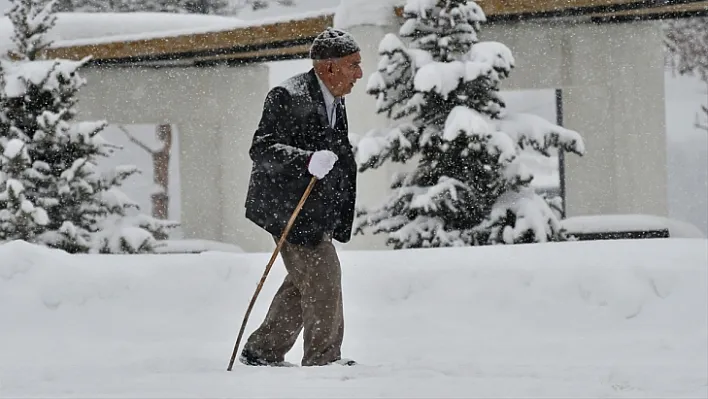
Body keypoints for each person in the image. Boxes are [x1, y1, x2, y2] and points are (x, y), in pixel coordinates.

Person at [240, 27, 363, 367]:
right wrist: (305, 160)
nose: (359, 73)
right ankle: (324, 361)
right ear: (328, 67)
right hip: (286, 209)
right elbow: (261, 148)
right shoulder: (286, 95)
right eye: (353, 65)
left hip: (317, 210)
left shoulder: (336, 100)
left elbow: (336, 150)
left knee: (303, 280)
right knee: (324, 277)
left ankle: (262, 350)